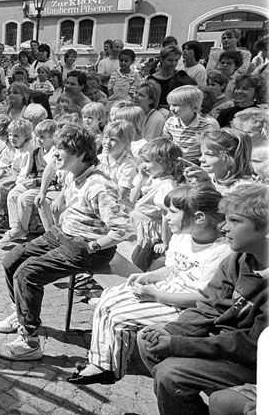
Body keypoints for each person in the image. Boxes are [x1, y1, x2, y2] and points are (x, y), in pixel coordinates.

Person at [0, 124, 134, 361]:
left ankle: (29, 342)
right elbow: (52, 168)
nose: (55, 154)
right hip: (64, 233)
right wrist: (57, 196)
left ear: (80, 154)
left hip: (87, 246)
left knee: (27, 274)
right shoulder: (73, 173)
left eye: (62, 149)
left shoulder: (100, 186)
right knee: (13, 259)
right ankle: (21, 314)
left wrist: (95, 246)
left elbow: (124, 229)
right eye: (56, 147)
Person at [69, 185, 231, 385]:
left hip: (185, 307)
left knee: (119, 316)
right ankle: (102, 361)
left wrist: (154, 295)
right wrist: (149, 276)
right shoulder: (182, 237)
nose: (166, 217)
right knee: (109, 296)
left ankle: (109, 368)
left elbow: (202, 299)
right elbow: (172, 269)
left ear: (199, 218)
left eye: (172, 212)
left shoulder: (220, 251)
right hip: (166, 290)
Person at [137, 183, 268, 415]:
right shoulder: (238, 260)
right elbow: (209, 306)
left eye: (235, 221)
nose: (223, 227)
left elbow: (250, 345)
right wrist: (172, 330)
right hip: (223, 345)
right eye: (225, 219)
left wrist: (180, 343)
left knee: (171, 373)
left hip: (252, 362)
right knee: (149, 341)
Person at [129, 138, 184, 271]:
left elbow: (166, 215)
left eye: (148, 162)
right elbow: (132, 199)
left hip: (150, 228)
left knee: (138, 261)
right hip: (140, 223)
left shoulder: (166, 185)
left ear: (165, 164)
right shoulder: (151, 178)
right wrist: (142, 179)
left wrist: (165, 242)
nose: (144, 165)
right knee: (132, 254)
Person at [3, 119, 57, 239]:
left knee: (23, 198)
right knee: (13, 193)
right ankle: (15, 227)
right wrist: (30, 178)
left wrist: (36, 181)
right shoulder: (37, 152)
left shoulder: (55, 154)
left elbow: (55, 177)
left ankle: (23, 229)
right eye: (37, 137)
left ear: (52, 137)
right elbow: (33, 170)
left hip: (47, 185)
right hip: (36, 181)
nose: (39, 140)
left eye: (42, 137)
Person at [182, 129, 254, 194]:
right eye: (202, 153)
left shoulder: (243, 187)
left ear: (231, 159)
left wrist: (207, 183)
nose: (201, 159)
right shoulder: (211, 176)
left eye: (209, 154)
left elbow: (222, 206)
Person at [163, 85, 219, 163]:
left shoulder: (204, 127)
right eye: (170, 105)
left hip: (195, 163)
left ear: (194, 108)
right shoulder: (170, 122)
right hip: (175, 161)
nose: (171, 109)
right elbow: (166, 142)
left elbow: (208, 150)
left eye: (176, 105)